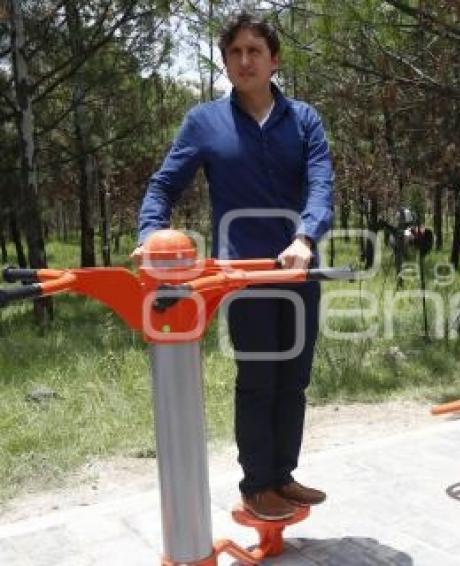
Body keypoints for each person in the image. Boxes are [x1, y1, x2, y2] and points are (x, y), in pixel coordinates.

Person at [135, 12, 333, 521]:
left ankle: (283, 476)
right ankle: (256, 485)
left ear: (274, 60)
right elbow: (163, 186)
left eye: (255, 51)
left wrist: (305, 237)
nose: (245, 61)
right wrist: (149, 237)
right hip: (242, 276)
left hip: (299, 271)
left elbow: (322, 186)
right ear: (226, 63)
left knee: (294, 379)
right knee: (259, 378)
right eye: (235, 53)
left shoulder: (305, 119)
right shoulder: (205, 122)